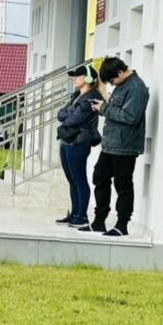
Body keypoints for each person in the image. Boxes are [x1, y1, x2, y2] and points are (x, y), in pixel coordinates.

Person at [84, 57, 149, 237]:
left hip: (125, 146)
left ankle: (122, 225)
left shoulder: (137, 88)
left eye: (112, 80)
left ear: (120, 72)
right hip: (111, 145)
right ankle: (99, 221)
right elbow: (117, 112)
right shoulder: (122, 85)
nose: (112, 84)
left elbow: (131, 117)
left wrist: (104, 108)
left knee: (123, 184)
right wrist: (102, 107)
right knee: (99, 177)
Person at [54, 65, 103, 228]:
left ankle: (82, 216)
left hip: (79, 142)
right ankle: (74, 213)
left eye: (78, 76)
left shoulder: (91, 97)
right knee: (71, 180)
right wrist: (69, 114)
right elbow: (60, 114)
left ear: (88, 78)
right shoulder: (76, 95)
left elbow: (72, 120)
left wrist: (68, 114)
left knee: (79, 179)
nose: (74, 78)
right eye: (73, 76)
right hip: (67, 141)